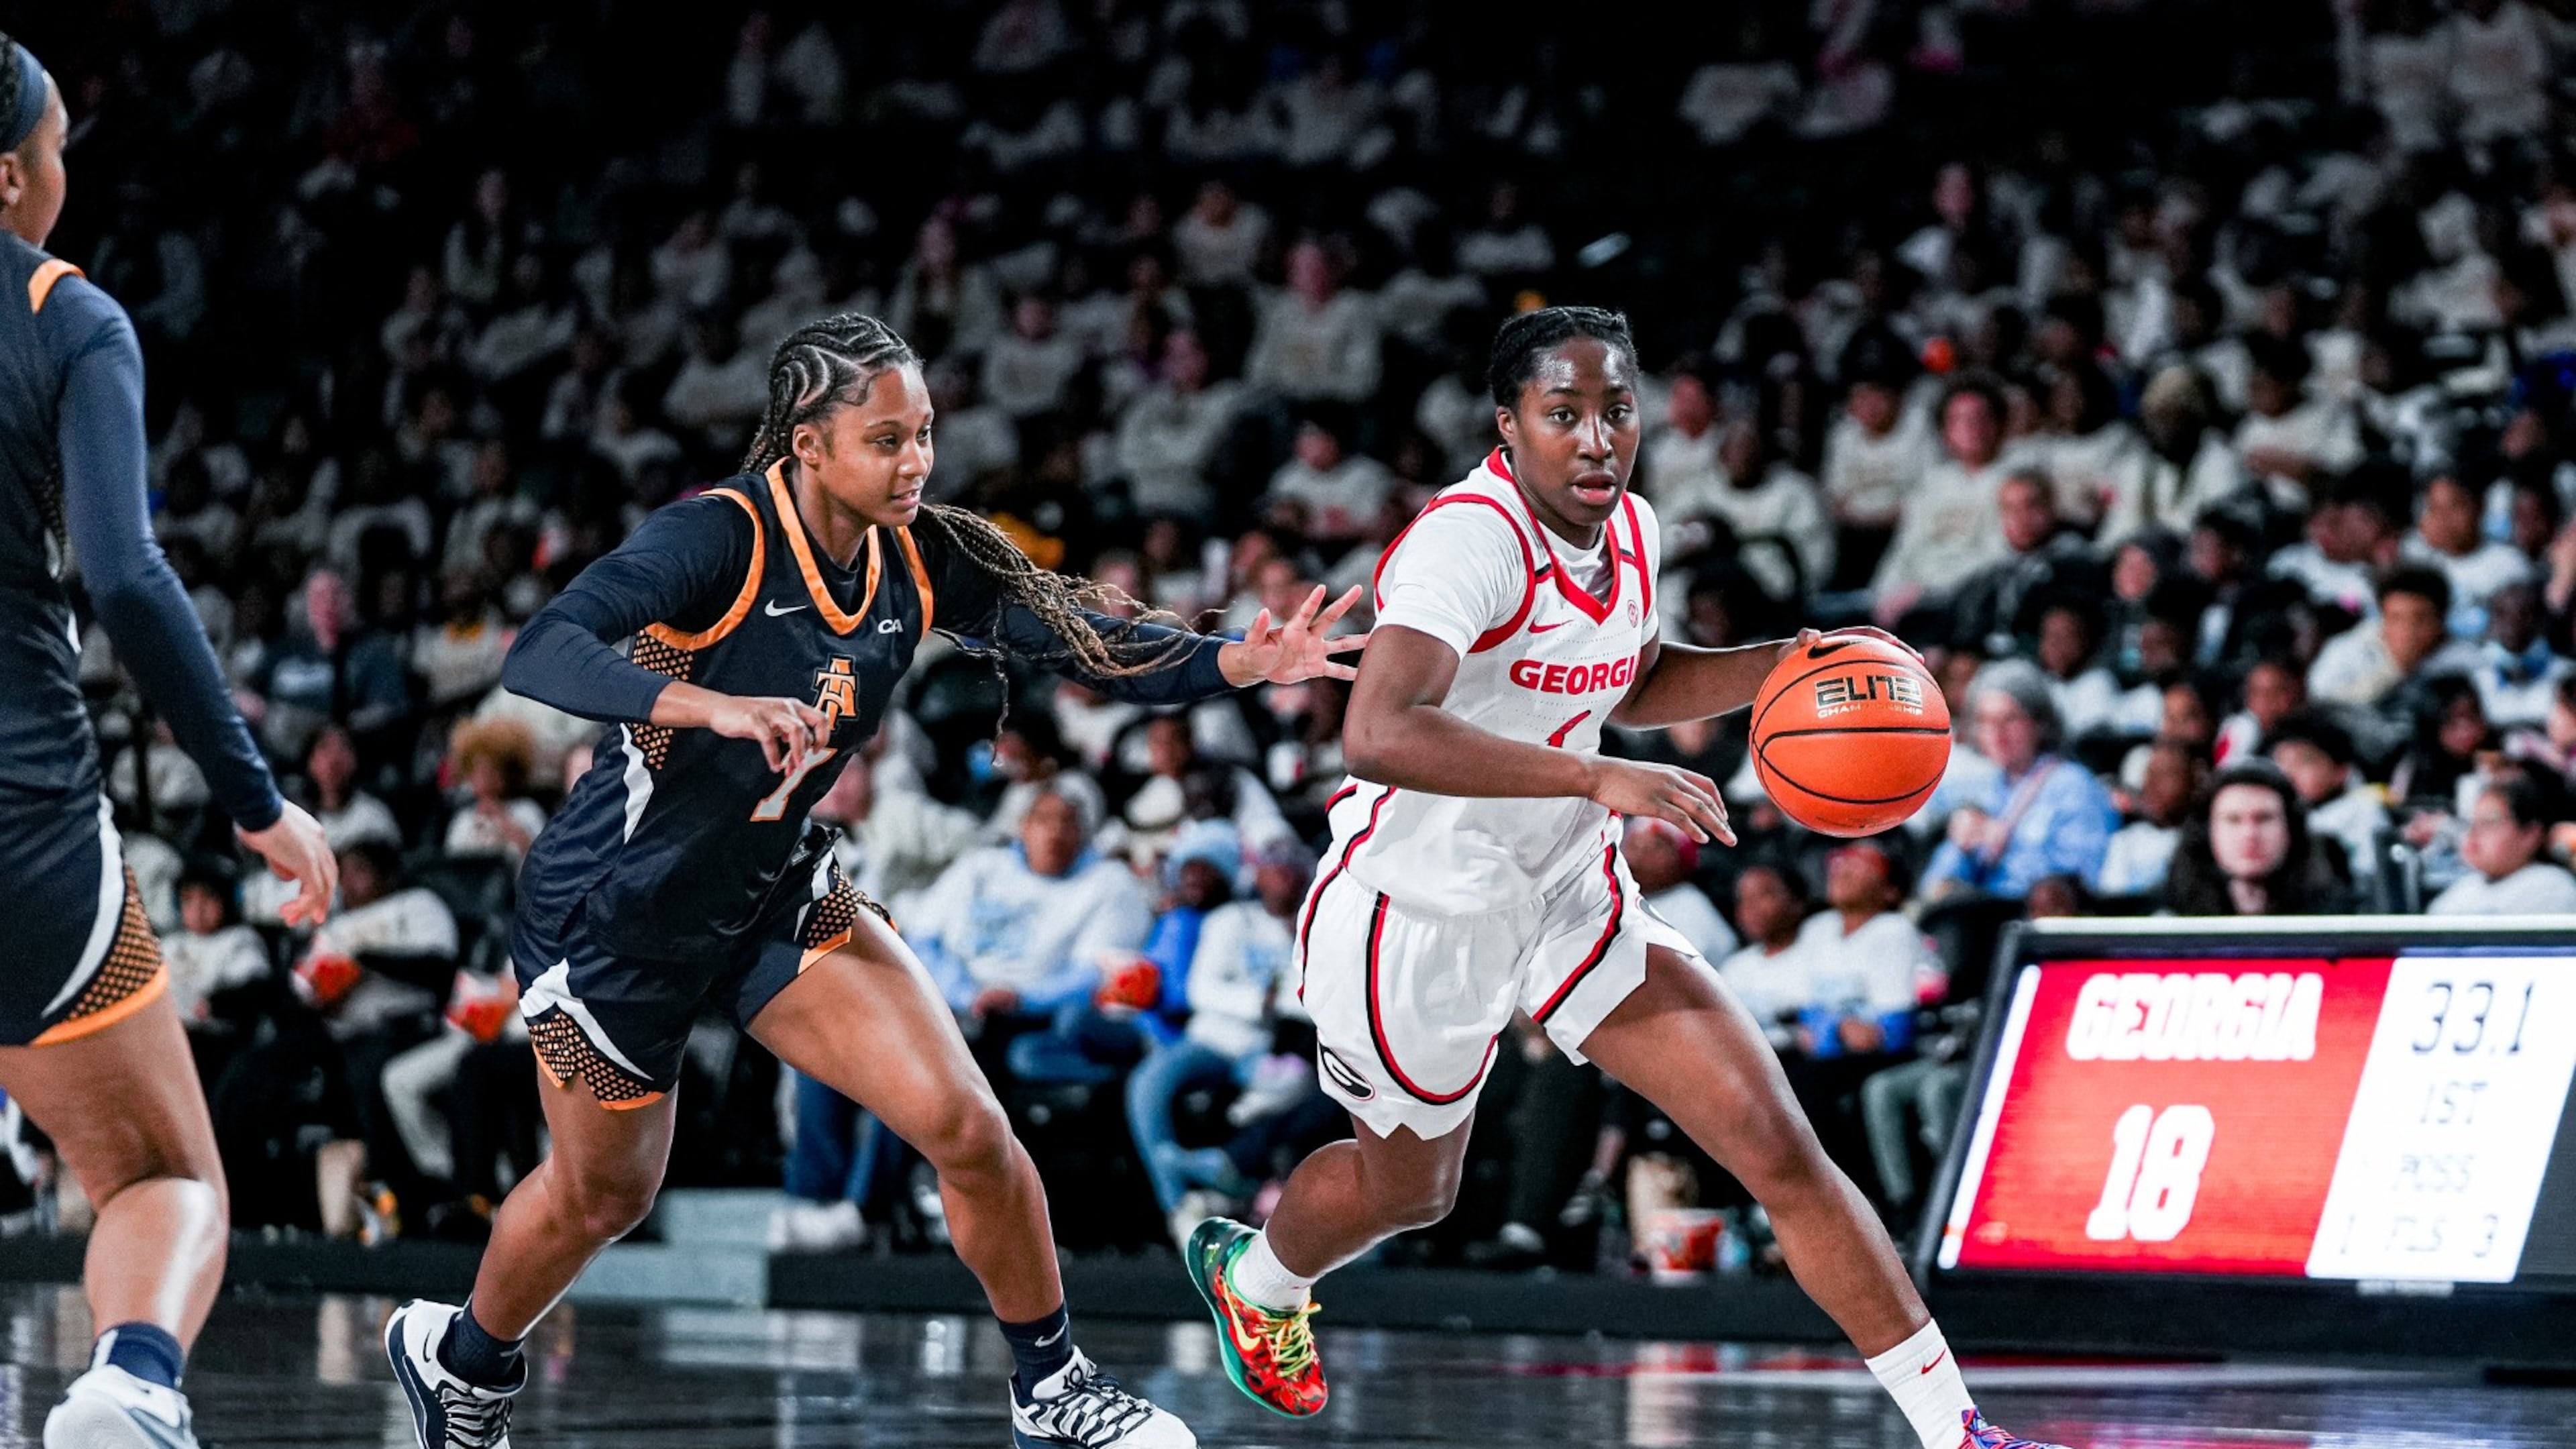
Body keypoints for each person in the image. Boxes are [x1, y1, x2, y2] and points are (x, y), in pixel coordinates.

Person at [382, 313, 1362, 1449]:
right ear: (808, 443)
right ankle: (461, 1364)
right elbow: (542, 648)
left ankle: (1053, 1385)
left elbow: (1072, 637)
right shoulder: (715, 539)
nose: (916, 464)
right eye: (887, 440)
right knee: (605, 1197)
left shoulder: (917, 552)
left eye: (926, 436)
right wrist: (713, 705)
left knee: (968, 1127)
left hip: (772, 890)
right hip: (614, 917)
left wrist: (1241, 658)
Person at [1182, 308, 2065, 1449]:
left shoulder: (1634, 528)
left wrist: (1789, 664)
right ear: (1509, 427)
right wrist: (1600, 775)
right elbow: (1378, 732)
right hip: (1421, 907)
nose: (1598, 440)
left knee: (1775, 1143)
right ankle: (1255, 1279)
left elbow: (1630, 673)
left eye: (1617, 411)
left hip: (1568, 891)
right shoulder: (1470, 539)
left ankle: (1961, 1433)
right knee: (1412, 1190)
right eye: (1564, 416)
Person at [0, 38, 336, 1449]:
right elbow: (126, 577)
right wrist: (257, 799)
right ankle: (129, 1389)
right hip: (24, 822)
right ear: (13, 174)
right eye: (63, 147)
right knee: (157, 1173)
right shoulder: (68, 317)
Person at [1919, 661, 2121, 902]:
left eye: (2011, 719)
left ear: (2040, 723)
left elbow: (2082, 880)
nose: (1997, 733)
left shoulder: (2074, 786)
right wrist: (1962, 848)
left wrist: (2008, 849)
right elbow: (1933, 888)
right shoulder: (1988, 789)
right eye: (1985, 721)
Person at [2162, 761, 2352, 917]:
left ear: (2291, 828)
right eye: (2233, 820)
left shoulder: (2344, 914)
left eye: (2264, 818)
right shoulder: (2165, 916)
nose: (2250, 834)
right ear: (2208, 831)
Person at [2426, 775, 2576, 914]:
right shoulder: (2460, 891)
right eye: (2472, 823)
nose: (2474, 834)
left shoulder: (2552, 888)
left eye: (2489, 823)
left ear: (2531, 834)